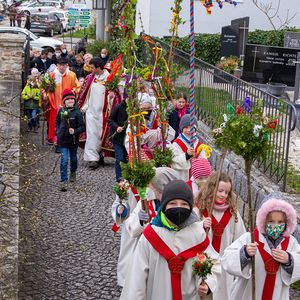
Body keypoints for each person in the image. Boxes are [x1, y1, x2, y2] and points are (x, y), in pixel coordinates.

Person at [120, 180, 221, 300]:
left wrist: (208, 283)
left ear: (190, 207)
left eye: (184, 204)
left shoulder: (198, 233)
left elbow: (214, 262)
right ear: (164, 206)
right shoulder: (150, 236)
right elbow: (137, 278)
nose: (178, 207)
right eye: (172, 203)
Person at [222, 194, 300, 300]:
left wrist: (290, 260)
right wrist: (244, 253)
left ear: (286, 222)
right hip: (249, 294)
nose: (276, 225)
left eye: (280, 222)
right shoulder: (250, 238)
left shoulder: (291, 242)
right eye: (271, 221)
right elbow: (226, 259)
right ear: (263, 221)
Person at [113, 167, 180, 287]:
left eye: (153, 186)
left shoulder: (177, 206)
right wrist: (139, 220)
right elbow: (132, 229)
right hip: (147, 253)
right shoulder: (146, 203)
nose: (150, 188)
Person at [195, 172, 246, 300]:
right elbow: (190, 235)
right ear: (211, 188)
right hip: (203, 262)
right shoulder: (200, 210)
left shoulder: (233, 214)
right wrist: (201, 226)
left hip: (224, 265)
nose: (223, 195)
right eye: (220, 190)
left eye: (227, 192)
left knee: (222, 293)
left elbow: (241, 238)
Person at [78, 57, 110, 169]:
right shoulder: (90, 78)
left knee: (101, 135)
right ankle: (92, 159)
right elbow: (85, 93)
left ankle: (100, 155)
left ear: (98, 67)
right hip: (91, 111)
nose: (90, 69)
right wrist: (83, 107)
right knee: (91, 135)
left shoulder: (109, 78)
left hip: (104, 113)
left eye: (92, 67)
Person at [45, 57, 80, 145]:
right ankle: (53, 137)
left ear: (67, 66)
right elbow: (45, 88)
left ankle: (66, 138)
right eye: (60, 65)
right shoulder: (52, 75)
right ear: (57, 65)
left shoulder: (72, 75)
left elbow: (77, 87)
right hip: (54, 103)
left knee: (67, 120)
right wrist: (45, 94)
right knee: (54, 120)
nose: (62, 67)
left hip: (68, 103)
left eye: (64, 65)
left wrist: (72, 91)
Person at [56, 89, 85, 192]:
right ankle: (63, 180)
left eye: (72, 99)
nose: (70, 101)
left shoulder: (77, 113)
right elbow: (58, 122)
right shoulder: (61, 111)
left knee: (73, 159)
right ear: (64, 101)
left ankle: (73, 172)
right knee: (64, 160)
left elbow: (82, 127)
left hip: (73, 141)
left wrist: (75, 131)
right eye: (68, 100)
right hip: (63, 140)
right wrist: (58, 132)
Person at [170, 114, 202, 181]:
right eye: (186, 127)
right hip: (182, 176)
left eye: (191, 127)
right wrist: (186, 156)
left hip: (195, 178)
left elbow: (203, 160)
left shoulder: (198, 143)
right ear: (182, 128)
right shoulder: (177, 143)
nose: (189, 130)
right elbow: (173, 161)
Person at [108, 98, 128, 182]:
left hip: (128, 138)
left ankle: (127, 178)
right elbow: (110, 120)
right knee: (119, 158)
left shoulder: (134, 109)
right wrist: (117, 127)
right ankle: (119, 179)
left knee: (126, 159)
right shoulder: (118, 107)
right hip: (118, 138)